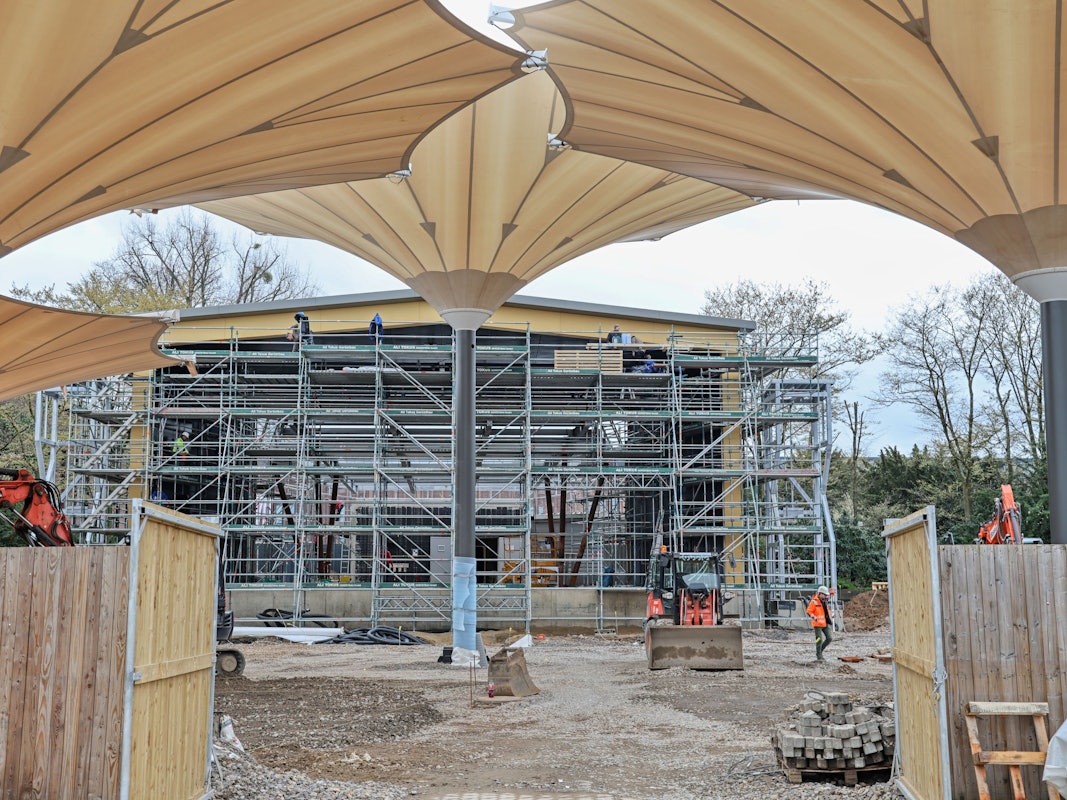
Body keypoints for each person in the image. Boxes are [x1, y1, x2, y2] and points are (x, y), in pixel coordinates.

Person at [806, 585, 833, 661]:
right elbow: (809, 611)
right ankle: (819, 655)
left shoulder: (824, 602)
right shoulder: (814, 602)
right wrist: (813, 617)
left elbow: (826, 612)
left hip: (825, 623)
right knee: (819, 639)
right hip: (817, 624)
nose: (825, 596)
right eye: (824, 595)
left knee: (829, 638)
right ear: (820, 594)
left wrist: (830, 619)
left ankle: (820, 650)